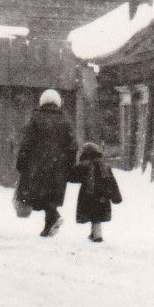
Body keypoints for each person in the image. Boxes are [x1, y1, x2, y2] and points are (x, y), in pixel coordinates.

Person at [15, 88, 78, 237]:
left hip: (37, 166)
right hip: (59, 166)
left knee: (38, 195)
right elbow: (73, 146)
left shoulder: (35, 119)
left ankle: (53, 218)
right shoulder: (65, 120)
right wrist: (70, 165)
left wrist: (22, 161)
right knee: (51, 196)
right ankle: (49, 224)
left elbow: (27, 143)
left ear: (42, 102)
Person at [72, 141, 123, 243]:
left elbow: (75, 177)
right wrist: (116, 196)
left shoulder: (85, 165)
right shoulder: (104, 166)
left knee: (93, 215)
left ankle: (97, 236)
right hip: (103, 195)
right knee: (97, 216)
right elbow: (111, 181)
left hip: (89, 194)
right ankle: (94, 233)